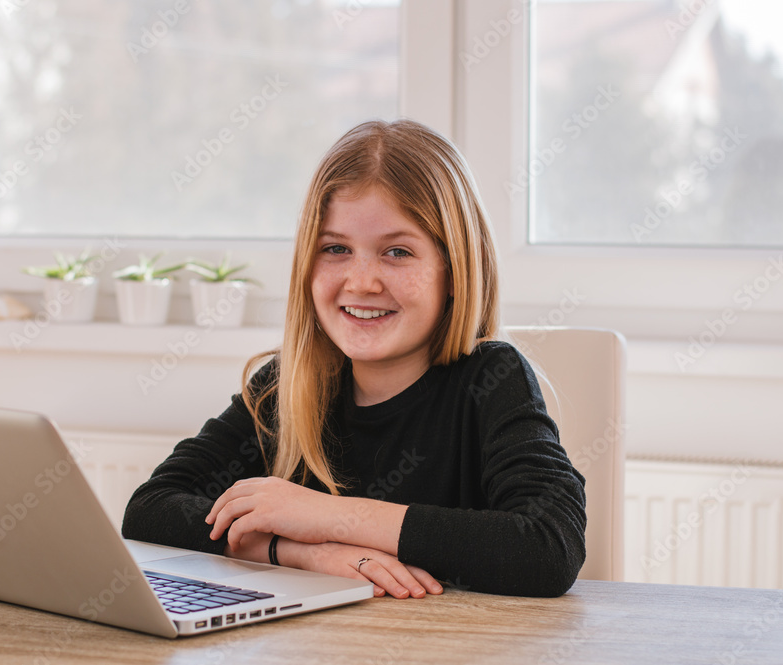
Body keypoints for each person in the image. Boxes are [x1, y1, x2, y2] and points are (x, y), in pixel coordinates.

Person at [122, 119, 586, 599]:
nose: (362, 282)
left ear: (455, 269)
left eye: (398, 252)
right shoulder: (287, 385)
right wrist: (304, 552)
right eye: (336, 248)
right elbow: (148, 513)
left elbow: (548, 549)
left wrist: (326, 515)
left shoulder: (493, 378)